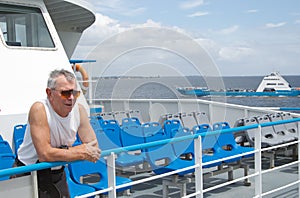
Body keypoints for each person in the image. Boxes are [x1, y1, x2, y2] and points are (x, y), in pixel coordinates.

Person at [13, 69, 101, 197]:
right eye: (65, 93)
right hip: (29, 173)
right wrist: (79, 151)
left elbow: (94, 148)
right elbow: (44, 154)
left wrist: (63, 152)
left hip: (57, 172)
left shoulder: (79, 111)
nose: (71, 98)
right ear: (49, 93)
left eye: (75, 93)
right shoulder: (40, 110)